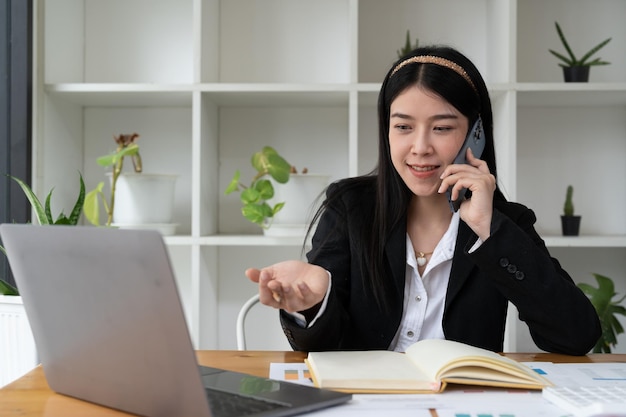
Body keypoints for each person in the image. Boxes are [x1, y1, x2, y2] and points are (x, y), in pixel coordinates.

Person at [245, 45, 601, 355]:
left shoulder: (505, 222)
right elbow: (323, 348)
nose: (420, 148)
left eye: (442, 128)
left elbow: (577, 336)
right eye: (403, 127)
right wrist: (314, 304)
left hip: (461, 402)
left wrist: (488, 229)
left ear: (476, 134)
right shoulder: (350, 207)